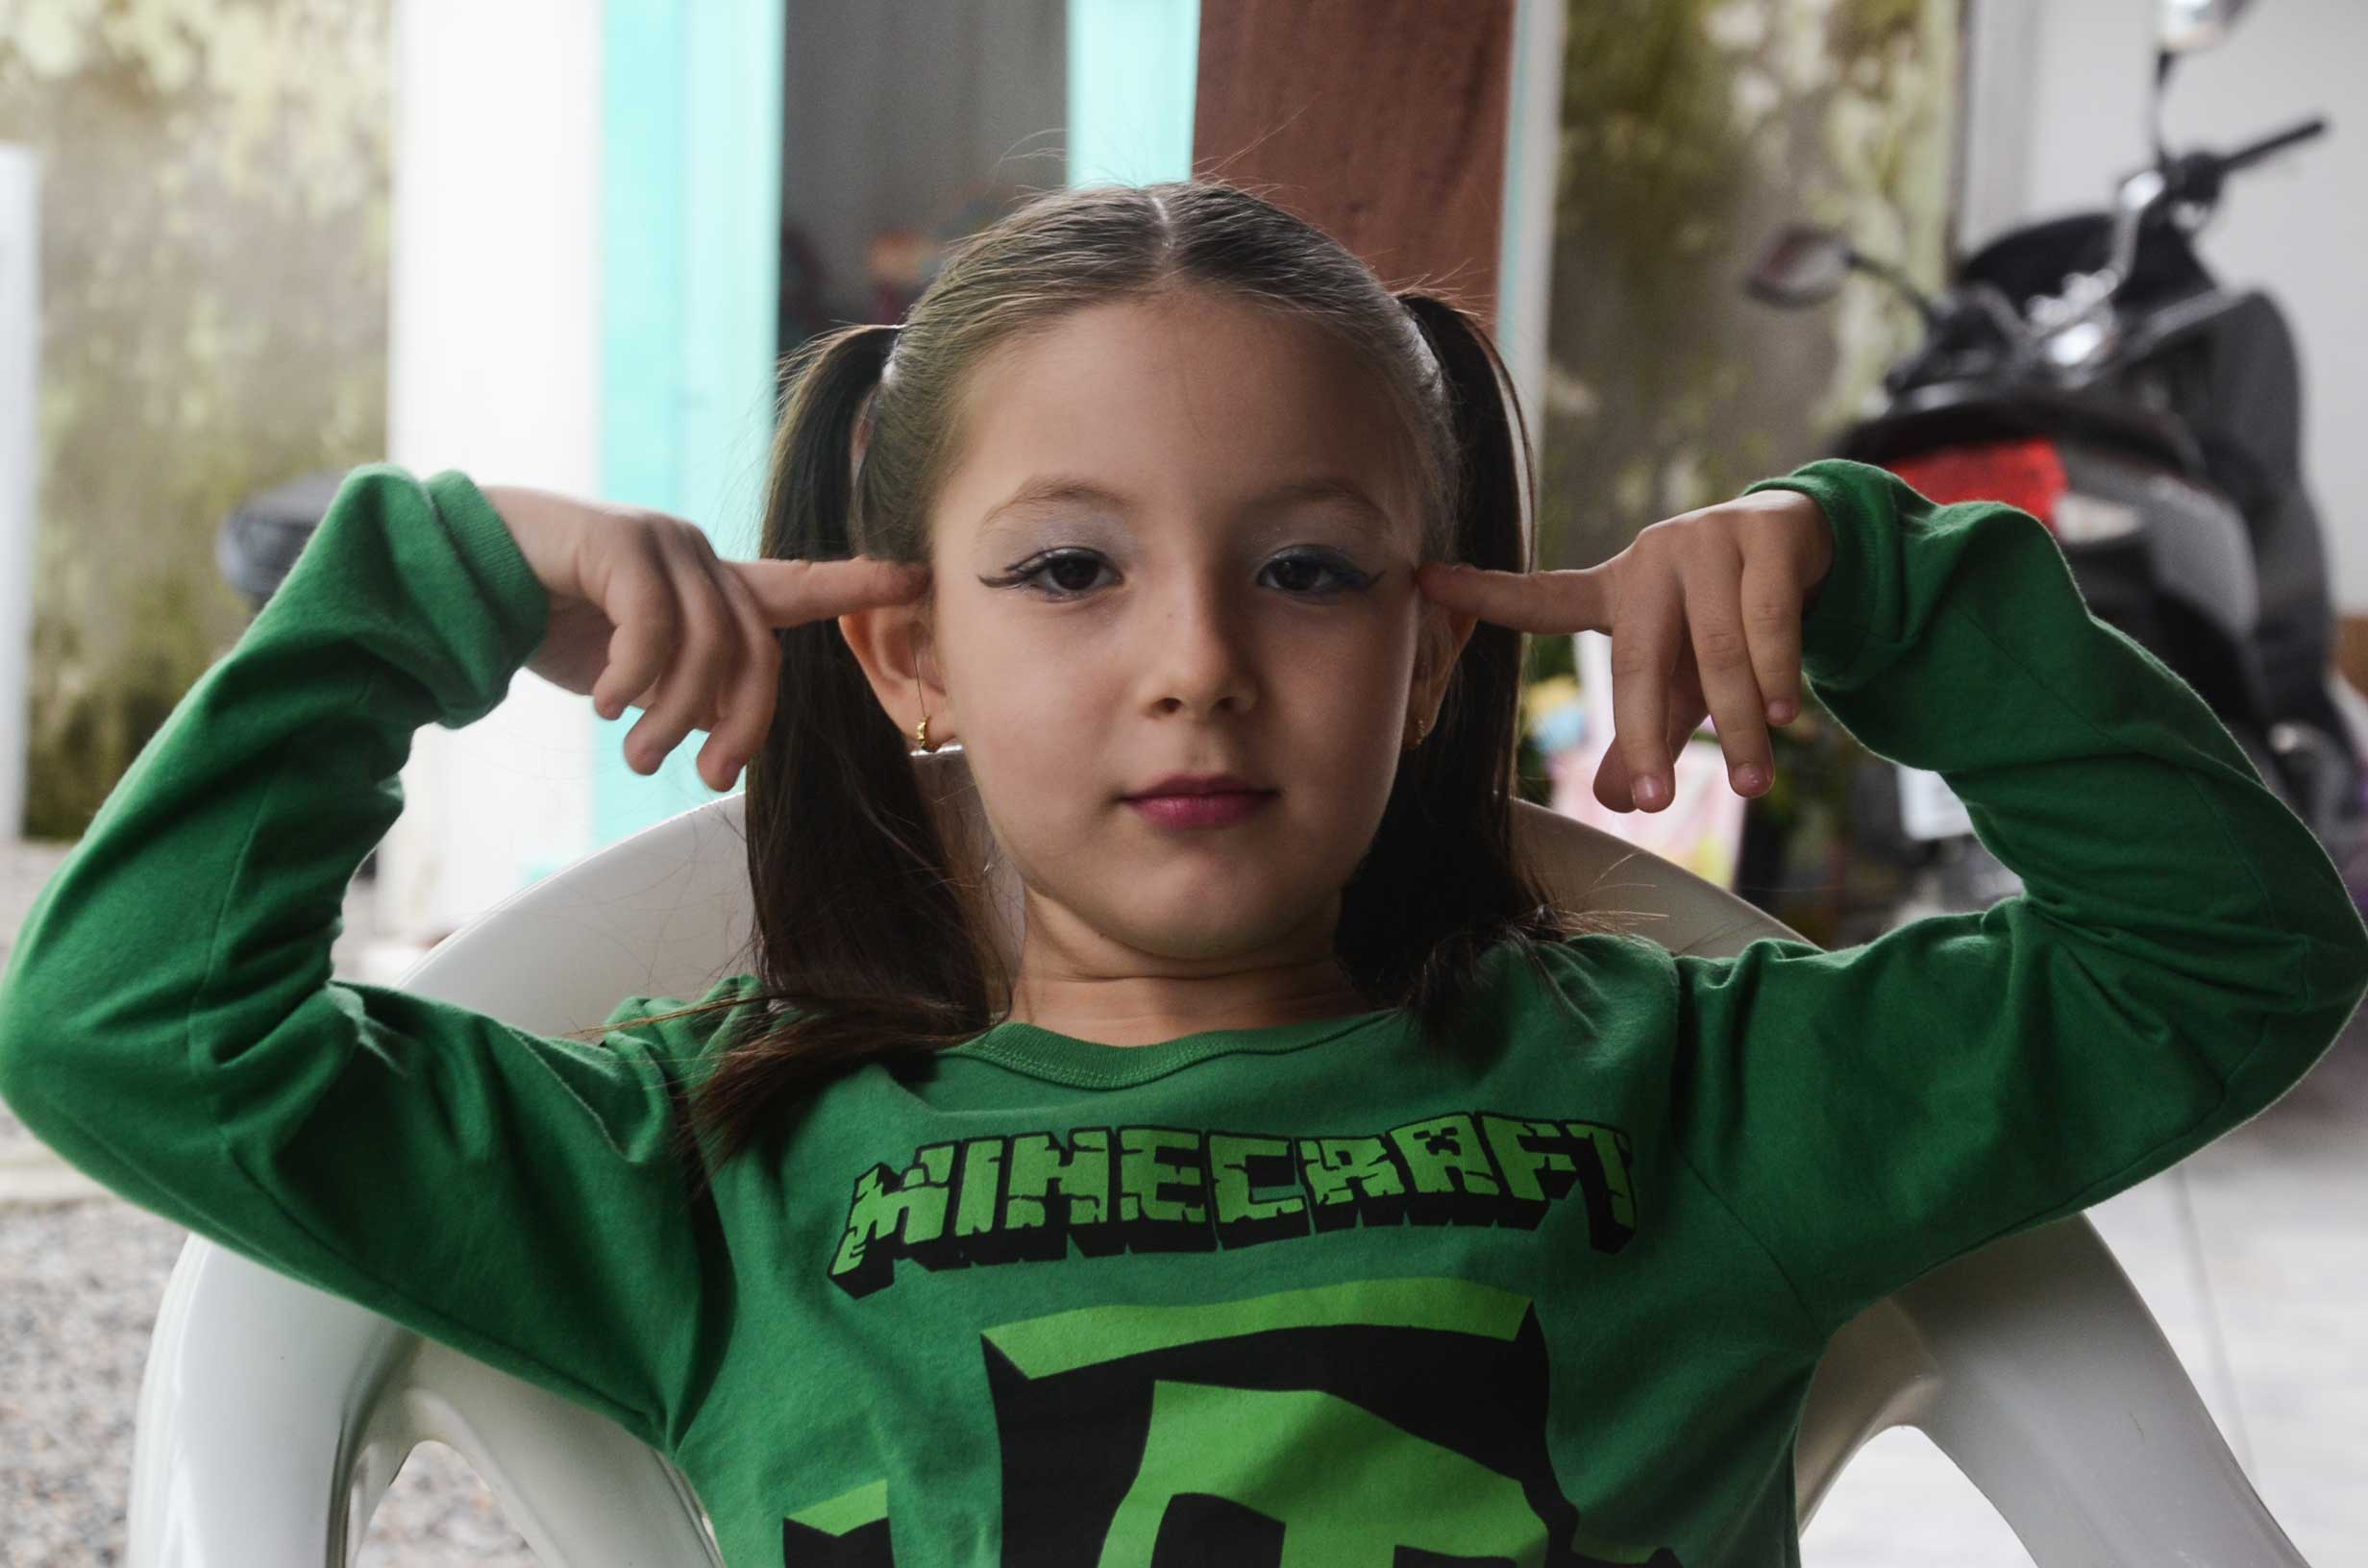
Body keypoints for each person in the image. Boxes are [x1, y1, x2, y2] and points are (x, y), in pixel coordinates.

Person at [1, 179, 2361, 1568]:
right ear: (902, 652)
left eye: (1312, 573)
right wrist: (418, 591)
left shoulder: (1699, 1096)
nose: (1199, 667)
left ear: (1433, 654)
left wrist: (1883, 600)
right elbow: (124, 1035)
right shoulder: (700, 1166)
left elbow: (2233, 959)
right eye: (1066, 572)